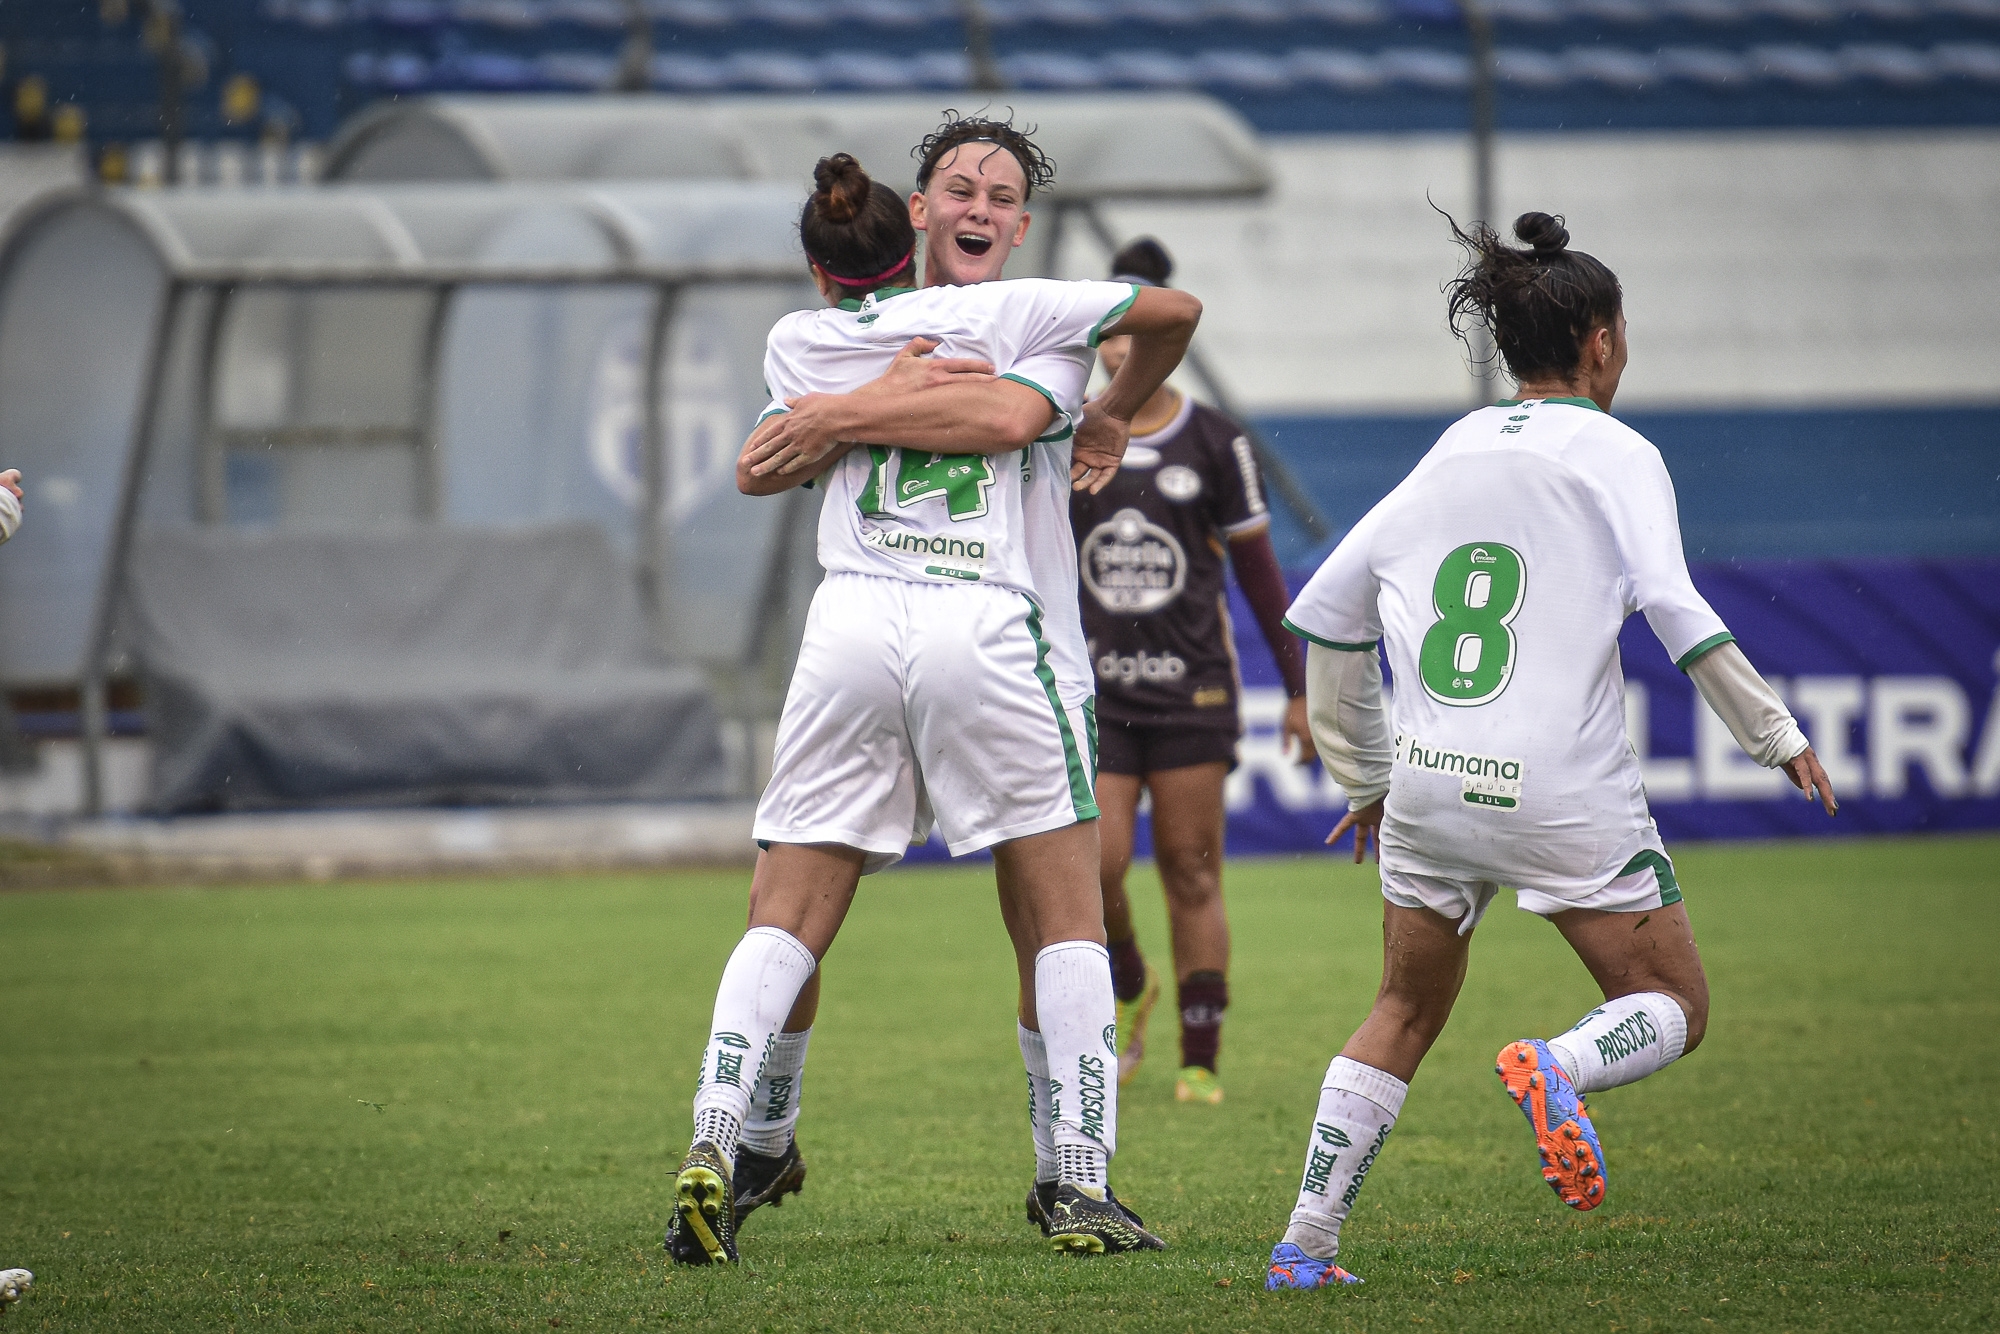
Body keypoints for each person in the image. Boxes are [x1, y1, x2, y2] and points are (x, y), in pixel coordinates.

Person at [1264, 212, 1838, 1290]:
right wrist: (1774, 733)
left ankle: (1304, 1244)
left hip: (1430, 787)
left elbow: (1329, 614)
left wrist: (1365, 778)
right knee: (1671, 1002)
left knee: (1400, 1007)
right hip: (1557, 789)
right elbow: (1672, 602)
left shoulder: (1451, 444)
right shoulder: (1620, 452)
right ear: (1602, 340)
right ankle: (1558, 1063)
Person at [664, 148, 1201, 1266]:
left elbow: (766, 463)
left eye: (1002, 197)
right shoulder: (1036, 319)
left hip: (849, 622)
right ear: (917, 217)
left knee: (786, 913)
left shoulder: (803, 340)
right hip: (988, 626)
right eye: (962, 190)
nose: (980, 208)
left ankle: (729, 1136)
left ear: (1017, 222)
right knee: (1061, 918)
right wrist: (1103, 407)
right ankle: (1078, 1181)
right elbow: (1008, 417)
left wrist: (852, 411)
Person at [1069, 239, 1314, 1106]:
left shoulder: (1215, 441)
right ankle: (1130, 977)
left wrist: (1297, 690)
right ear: (1097, 337)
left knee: (1191, 867)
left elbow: (1258, 576)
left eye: (1140, 328)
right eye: (1111, 329)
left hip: (1191, 691)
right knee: (1094, 870)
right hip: (1091, 692)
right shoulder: (1061, 432)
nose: (1122, 346)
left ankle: (1199, 1057)